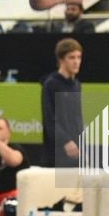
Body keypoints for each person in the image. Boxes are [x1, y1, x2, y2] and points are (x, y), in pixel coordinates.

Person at [39, 39, 83, 168]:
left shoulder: (77, 85)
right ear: (61, 60)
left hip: (75, 152)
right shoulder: (51, 84)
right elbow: (50, 119)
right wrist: (65, 141)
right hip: (55, 153)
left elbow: (77, 117)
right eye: (71, 57)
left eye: (79, 57)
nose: (76, 62)